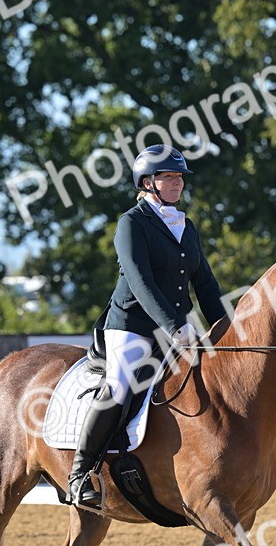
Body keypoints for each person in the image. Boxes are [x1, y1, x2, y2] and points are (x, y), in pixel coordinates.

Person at [67, 145, 228, 509]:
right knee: (121, 385)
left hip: (175, 329)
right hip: (132, 326)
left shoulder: (185, 226)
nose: (178, 183)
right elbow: (141, 281)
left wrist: (227, 330)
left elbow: (206, 284)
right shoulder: (131, 223)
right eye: (169, 177)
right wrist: (174, 326)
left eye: (179, 177)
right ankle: (80, 474)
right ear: (147, 182)